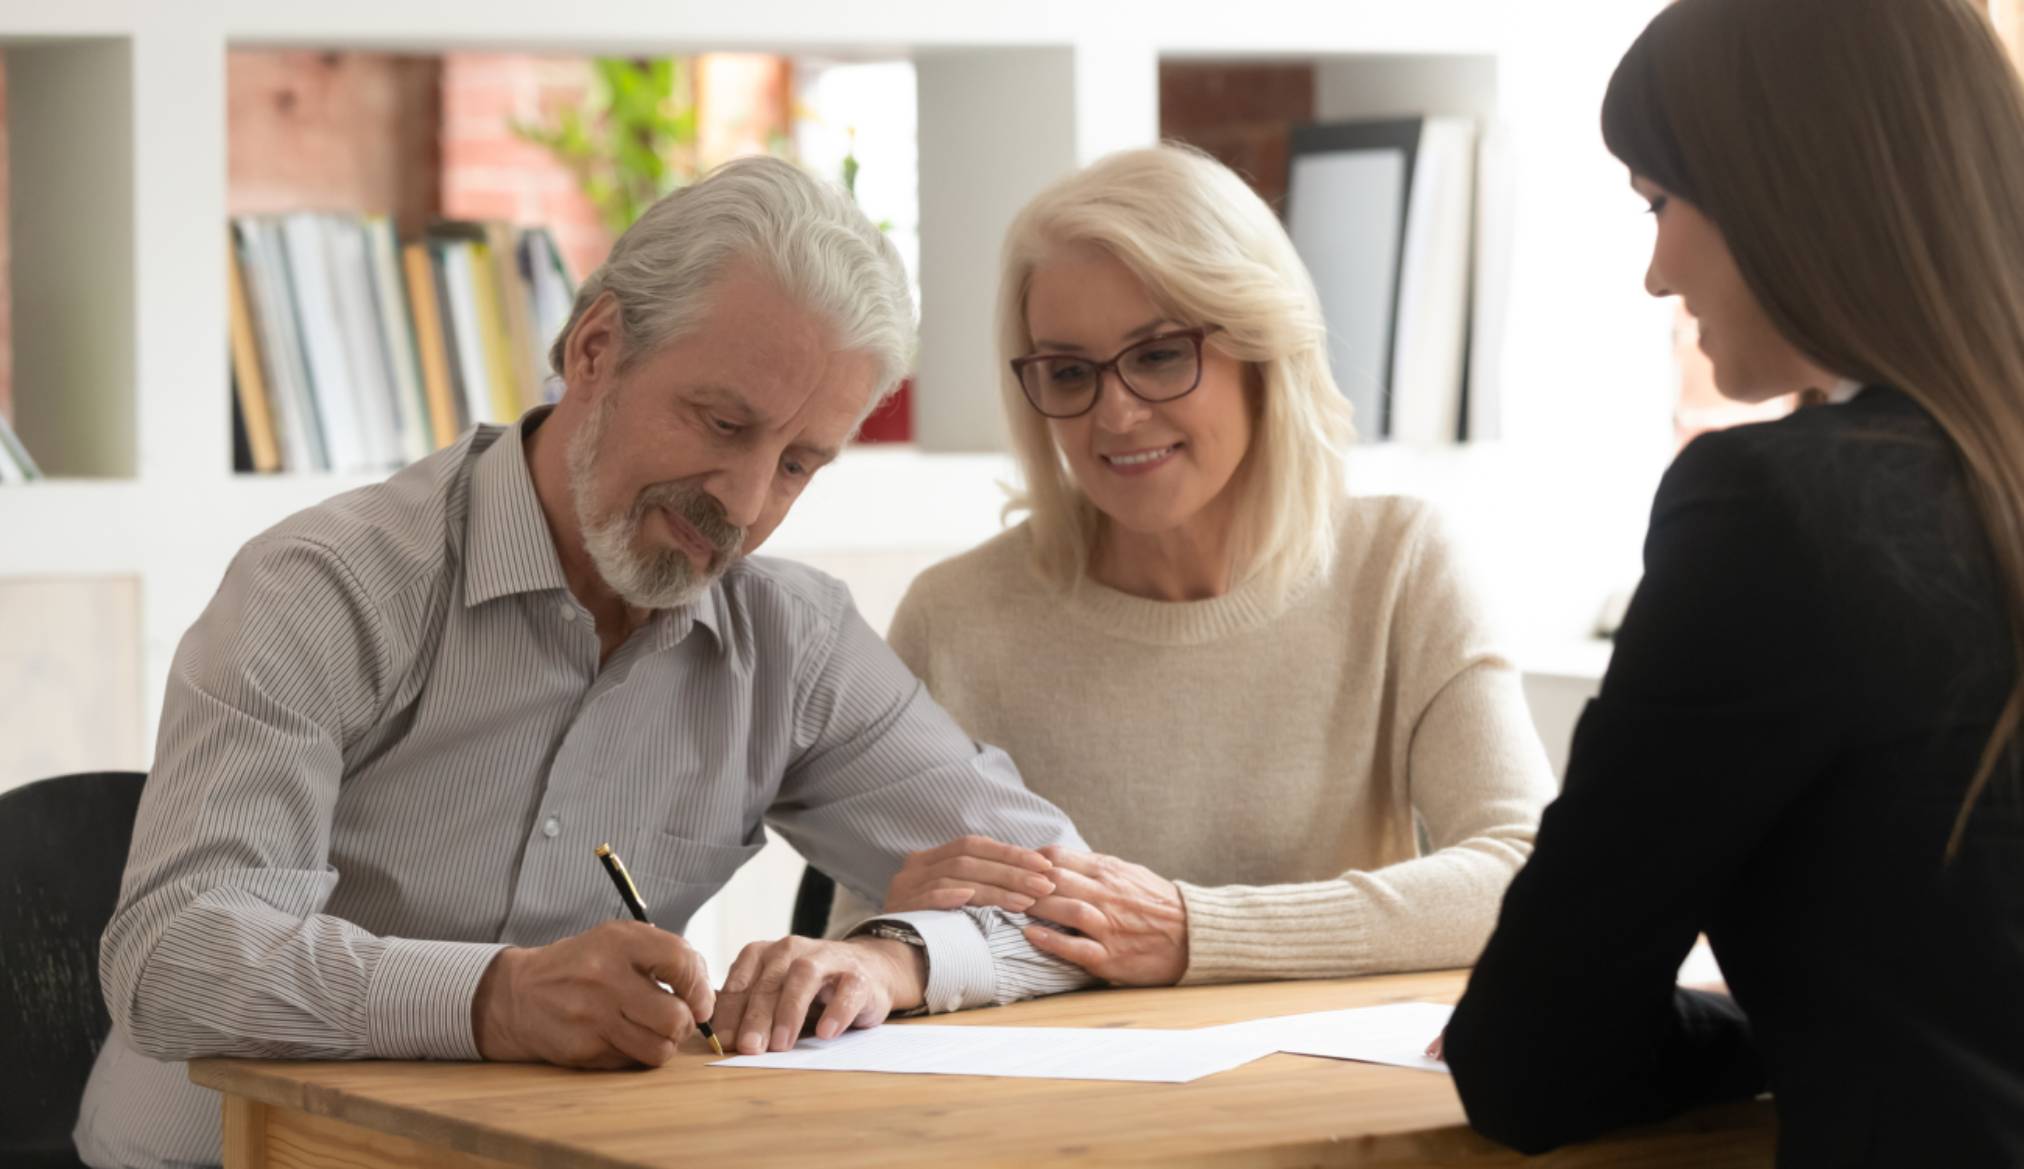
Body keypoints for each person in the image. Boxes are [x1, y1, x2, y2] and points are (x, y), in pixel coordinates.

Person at [74, 157, 1094, 1169]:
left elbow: (1074, 905)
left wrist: (892, 956)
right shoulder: (326, 588)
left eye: (796, 463)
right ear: (596, 345)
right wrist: (492, 997)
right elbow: (175, 956)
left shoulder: (794, 641)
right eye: (723, 424)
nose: (742, 504)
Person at [1443, 0, 2024, 1163]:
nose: (1656, 272)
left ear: (1794, 189)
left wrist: (1752, 1034)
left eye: (1658, 203)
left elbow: (1528, 1056)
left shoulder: (1780, 513)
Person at [826, 145, 1556, 988]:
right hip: (1047, 1108)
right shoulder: (954, 616)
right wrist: (895, 929)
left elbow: (1526, 869)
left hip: (1332, 1094)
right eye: (1069, 371)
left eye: (1161, 354)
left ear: (1261, 348)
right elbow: (857, 949)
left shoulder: (1402, 566)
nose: (1118, 412)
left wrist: (1194, 931)